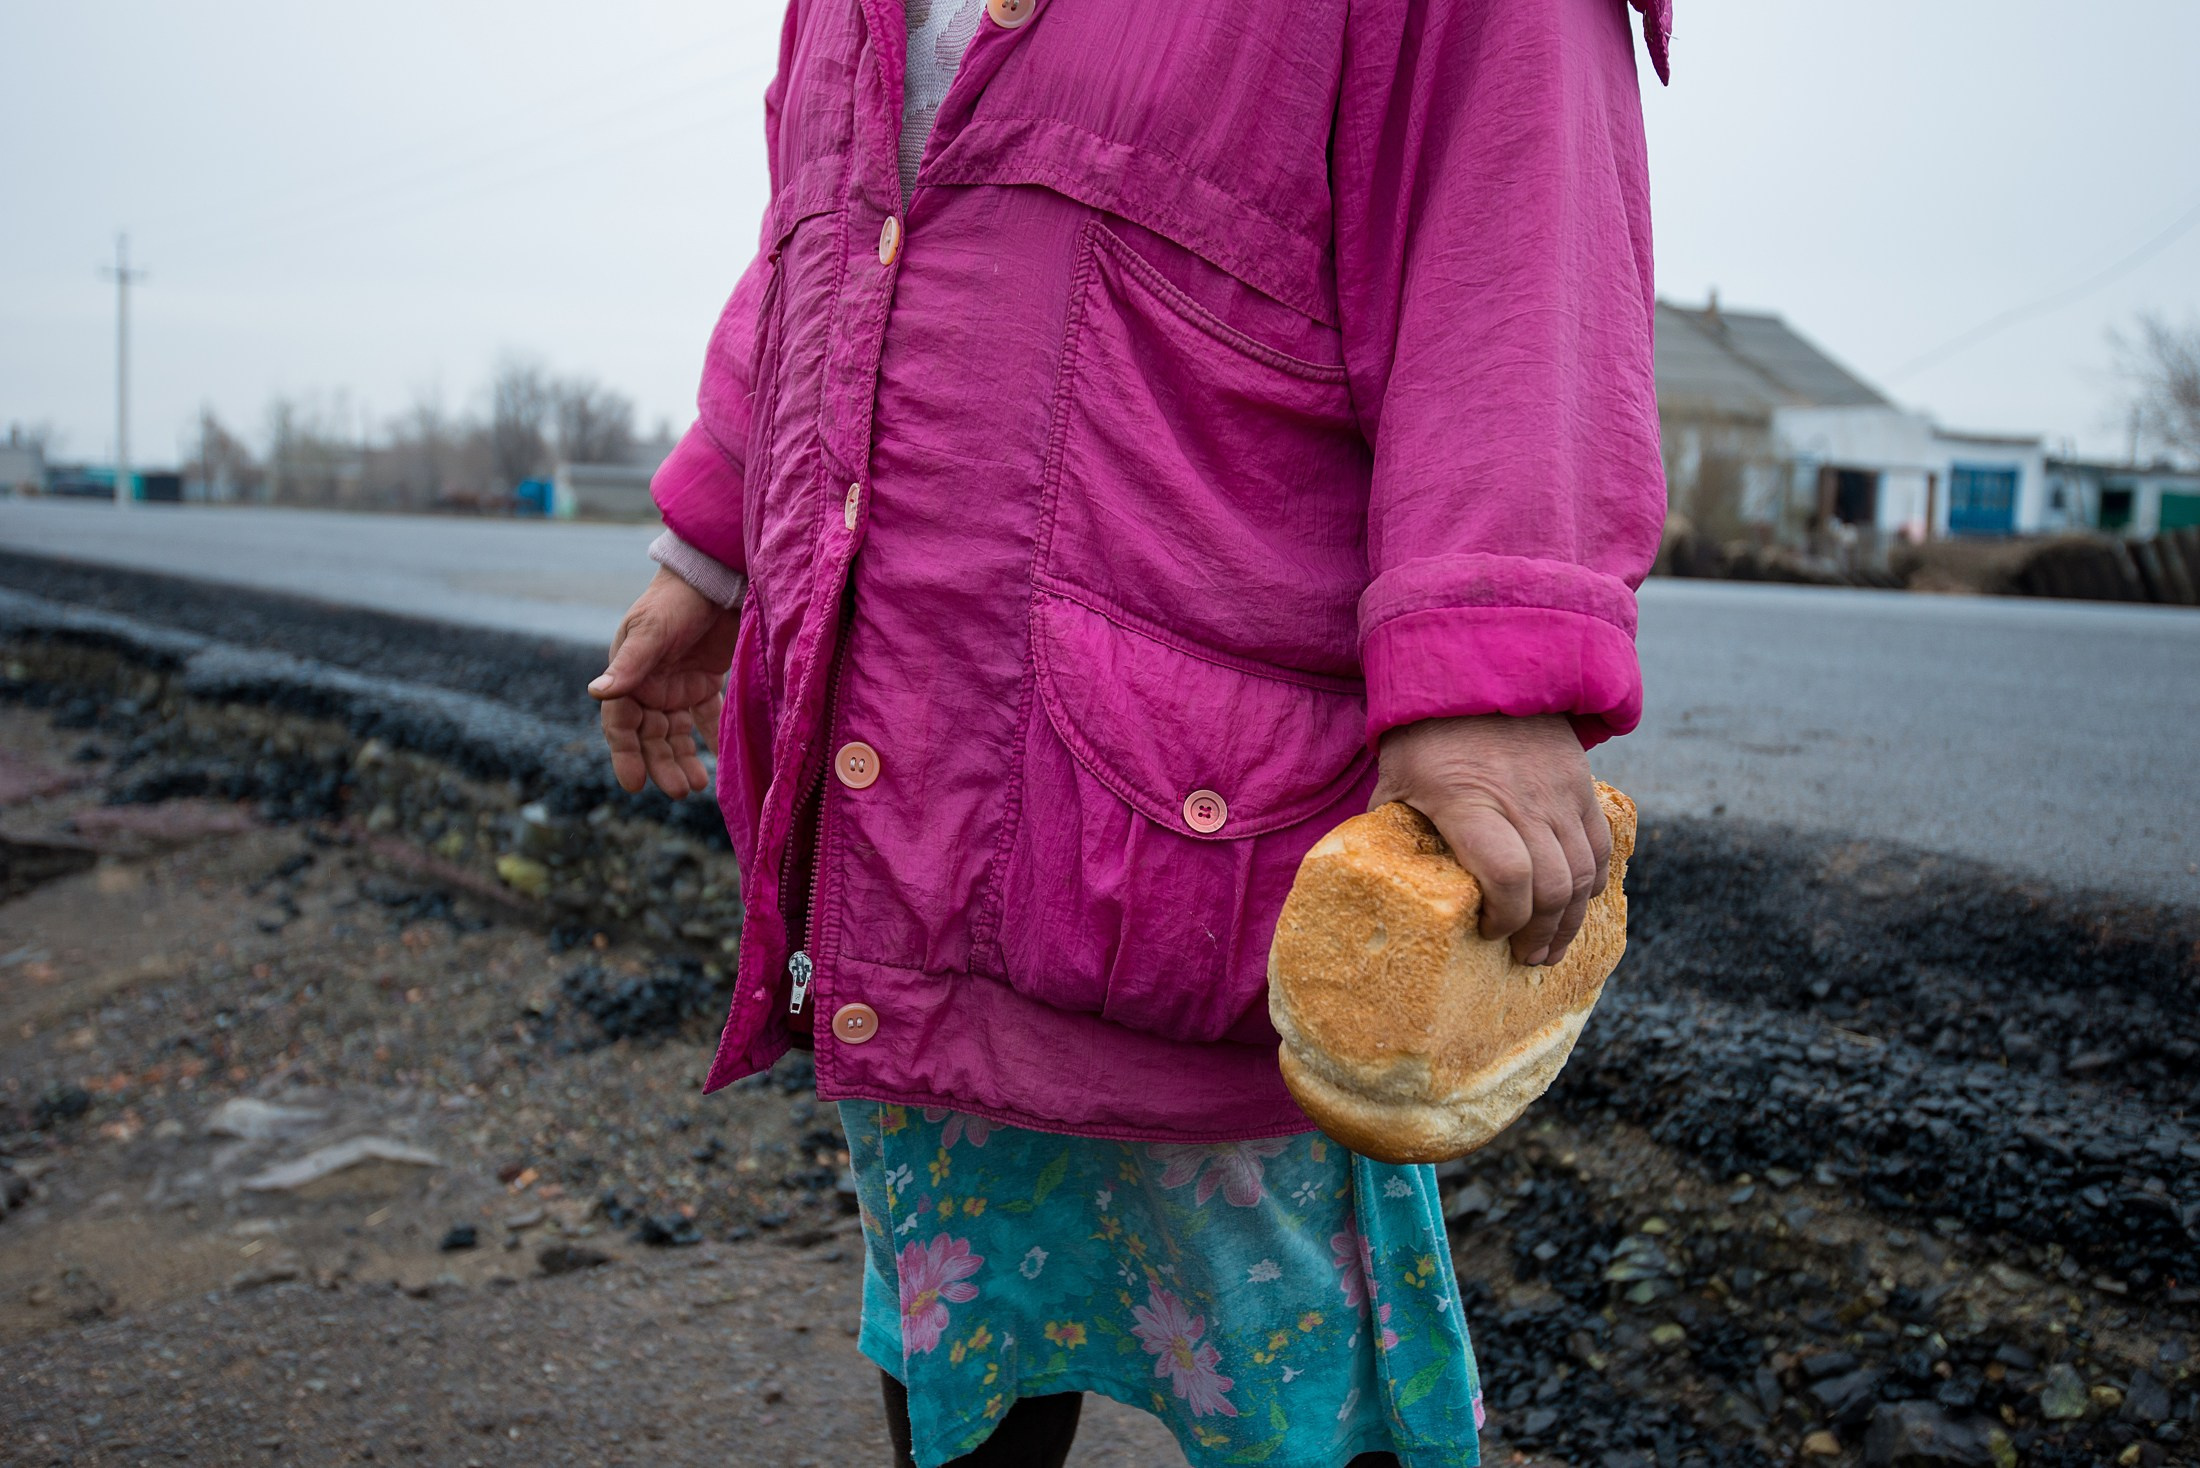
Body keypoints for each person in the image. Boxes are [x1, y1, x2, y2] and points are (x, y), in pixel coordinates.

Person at [592, 0, 1670, 1461]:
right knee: (955, 1314)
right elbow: (830, 217)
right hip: (908, 784)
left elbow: (1516, 245)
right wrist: (716, 539)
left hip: (1196, 838)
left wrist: (1490, 676)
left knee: (1279, 1352)